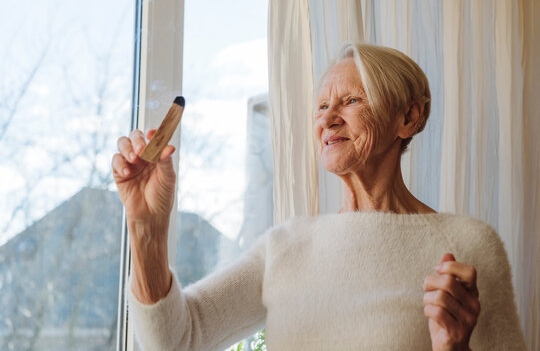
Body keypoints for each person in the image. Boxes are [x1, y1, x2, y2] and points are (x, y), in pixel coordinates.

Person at [112, 42, 527, 350]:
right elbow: (174, 340)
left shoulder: (468, 245)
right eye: (321, 105)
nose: (328, 119)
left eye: (351, 101)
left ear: (408, 117)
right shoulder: (284, 248)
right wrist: (146, 226)